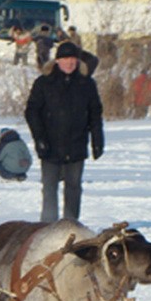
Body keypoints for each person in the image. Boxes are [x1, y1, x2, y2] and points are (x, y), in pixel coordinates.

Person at [24, 41, 104, 223]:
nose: (69, 63)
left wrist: (97, 141)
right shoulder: (44, 83)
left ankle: (70, 223)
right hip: (50, 146)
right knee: (49, 187)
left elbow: (95, 114)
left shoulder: (87, 84)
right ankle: (47, 224)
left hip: (76, 145)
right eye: (65, 59)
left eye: (73, 59)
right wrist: (39, 138)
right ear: (57, 61)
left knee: (74, 187)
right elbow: (32, 111)